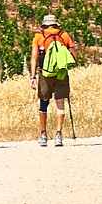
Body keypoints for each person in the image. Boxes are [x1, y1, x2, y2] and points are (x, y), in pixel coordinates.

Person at [28, 13, 78, 147]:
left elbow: (34, 57)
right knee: (60, 103)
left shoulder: (39, 36)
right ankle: (58, 135)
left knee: (44, 102)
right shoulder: (64, 35)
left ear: (44, 25)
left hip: (45, 73)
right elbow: (73, 55)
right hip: (61, 72)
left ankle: (43, 134)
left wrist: (32, 76)